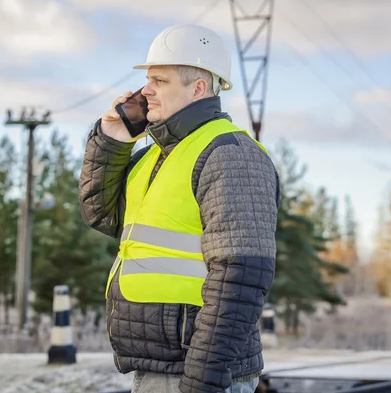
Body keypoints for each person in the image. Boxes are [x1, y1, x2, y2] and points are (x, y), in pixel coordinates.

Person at [79, 24, 280, 393]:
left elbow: (240, 281)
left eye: (160, 80)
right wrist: (113, 139)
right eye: (148, 80)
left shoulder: (231, 156)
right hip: (162, 367)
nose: (145, 90)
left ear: (198, 88)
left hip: (196, 373)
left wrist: (202, 382)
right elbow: (101, 214)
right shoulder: (154, 155)